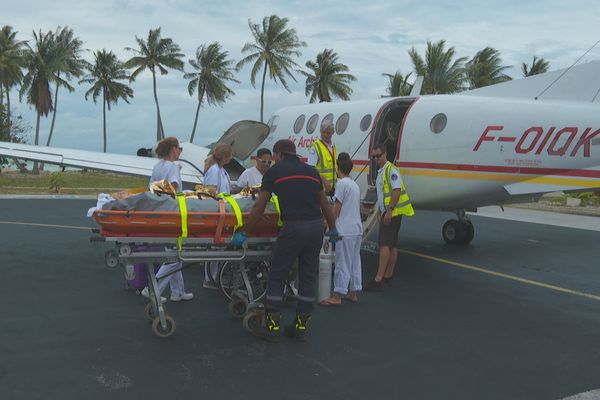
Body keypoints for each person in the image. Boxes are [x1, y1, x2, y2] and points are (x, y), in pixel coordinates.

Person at [232, 139, 338, 342]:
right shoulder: (311, 171)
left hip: (294, 229)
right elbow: (324, 204)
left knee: (277, 275)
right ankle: (300, 326)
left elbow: (259, 206)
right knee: (308, 276)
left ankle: (272, 328)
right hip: (316, 228)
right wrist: (333, 228)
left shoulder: (274, 172)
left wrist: (245, 231)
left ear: (278, 155)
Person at [142, 136, 194, 302]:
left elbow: (153, 188)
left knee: (174, 253)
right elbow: (173, 188)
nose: (180, 152)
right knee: (174, 256)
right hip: (172, 212)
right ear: (173, 149)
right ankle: (151, 288)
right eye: (180, 149)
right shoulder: (172, 167)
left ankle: (177, 291)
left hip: (160, 210)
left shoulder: (158, 166)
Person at [363, 143, 414, 291]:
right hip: (390, 211)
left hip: (393, 213)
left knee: (384, 244)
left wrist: (390, 210)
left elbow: (396, 191)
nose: (376, 159)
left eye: (378, 156)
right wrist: (380, 210)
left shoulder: (391, 170)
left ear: (385, 154)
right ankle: (388, 275)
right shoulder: (383, 171)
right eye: (374, 157)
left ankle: (378, 278)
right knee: (392, 245)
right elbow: (384, 194)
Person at [319, 153, 363, 305]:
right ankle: (353, 292)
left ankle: (337, 295)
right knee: (354, 261)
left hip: (345, 229)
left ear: (338, 168)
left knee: (341, 261)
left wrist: (328, 222)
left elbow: (337, 207)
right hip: (356, 228)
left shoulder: (342, 184)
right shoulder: (354, 184)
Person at [203, 143, 234, 289]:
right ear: (225, 156)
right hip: (217, 211)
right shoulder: (215, 171)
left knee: (218, 246)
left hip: (223, 210)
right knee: (214, 246)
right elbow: (210, 193)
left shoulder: (221, 170)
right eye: (231, 154)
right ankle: (209, 278)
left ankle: (214, 276)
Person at [307, 119, 337, 196]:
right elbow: (311, 169)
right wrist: (324, 181)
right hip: (320, 190)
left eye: (328, 133)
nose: (326, 135)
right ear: (320, 131)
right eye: (323, 132)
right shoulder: (315, 147)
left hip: (332, 189)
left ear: (333, 132)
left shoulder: (333, 147)